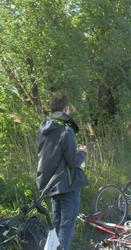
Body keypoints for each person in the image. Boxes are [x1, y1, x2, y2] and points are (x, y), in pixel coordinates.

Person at [36, 93, 89, 250]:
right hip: (67, 185)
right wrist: (83, 152)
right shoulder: (66, 130)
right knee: (66, 228)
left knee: (56, 225)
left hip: (50, 185)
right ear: (65, 108)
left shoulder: (43, 129)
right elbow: (73, 161)